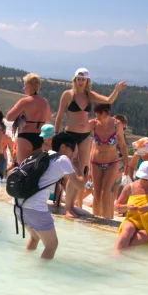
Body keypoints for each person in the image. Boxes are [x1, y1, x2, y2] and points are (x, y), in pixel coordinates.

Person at [53, 68, 126, 218]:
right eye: (78, 79)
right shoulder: (68, 94)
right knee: (73, 171)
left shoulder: (89, 95)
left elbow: (108, 100)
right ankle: (67, 208)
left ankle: (72, 205)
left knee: (82, 172)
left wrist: (116, 90)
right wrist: (55, 133)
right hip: (70, 135)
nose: (80, 82)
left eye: (83, 79)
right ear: (75, 80)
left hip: (85, 136)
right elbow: (60, 114)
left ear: (87, 81)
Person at [18, 132, 88, 260]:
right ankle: (41, 271)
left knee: (35, 237)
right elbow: (80, 186)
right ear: (63, 147)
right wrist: (78, 167)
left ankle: (24, 264)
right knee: (51, 245)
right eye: (74, 151)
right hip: (35, 207)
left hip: (18, 204)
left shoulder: (42, 154)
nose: (75, 155)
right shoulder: (62, 159)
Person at [87, 103, 130, 219]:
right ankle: (95, 219)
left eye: (99, 114)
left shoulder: (117, 125)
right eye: (95, 114)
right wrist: (89, 168)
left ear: (107, 113)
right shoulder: (93, 124)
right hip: (95, 163)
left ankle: (106, 220)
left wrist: (127, 164)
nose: (97, 117)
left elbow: (123, 145)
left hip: (112, 162)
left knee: (106, 192)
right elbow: (83, 140)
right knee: (97, 194)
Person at [6, 73, 52, 163]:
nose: (23, 88)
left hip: (25, 136)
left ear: (29, 86)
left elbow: (9, 117)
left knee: (23, 167)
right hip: (39, 137)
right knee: (35, 167)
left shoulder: (25, 101)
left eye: (24, 85)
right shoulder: (45, 102)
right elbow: (48, 117)